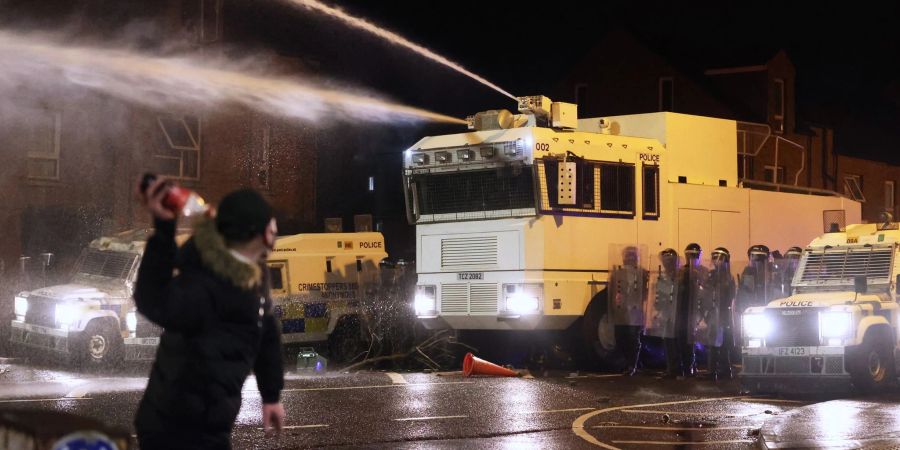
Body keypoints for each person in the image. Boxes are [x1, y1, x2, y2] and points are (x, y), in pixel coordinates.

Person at [134, 178, 285, 449]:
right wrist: (163, 231)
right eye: (269, 221)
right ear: (257, 232)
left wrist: (271, 395)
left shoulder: (254, 275)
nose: (275, 226)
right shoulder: (202, 284)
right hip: (175, 431)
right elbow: (153, 301)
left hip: (211, 424)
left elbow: (266, 333)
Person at [609, 246, 648, 376]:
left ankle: (632, 365)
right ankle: (628, 363)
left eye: (633, 255)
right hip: (621, 311)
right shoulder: (617, 272)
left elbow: (646, 292)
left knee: (633, 338)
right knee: (620, 337)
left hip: (636, 311)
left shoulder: (642, 273)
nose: (630, 258)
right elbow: (611, 290)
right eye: (628, 255)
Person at [698, 247, 736, 381]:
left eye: (719, 258)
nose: (716, 261)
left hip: (724, 313)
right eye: (714, 258)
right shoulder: (711, 275)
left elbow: (730, 297)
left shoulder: (728, 277)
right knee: (712, 344)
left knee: (723, 344)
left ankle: (725, 370)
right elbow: (705, 294)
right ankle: (712, 370)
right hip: (712, 313)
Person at [675, 243, 706, 378]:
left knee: (692, 340)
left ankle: (691, 366)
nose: (693, 257)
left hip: (695, 310)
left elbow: (706, 290)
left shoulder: (702, 271)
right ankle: (686, 366)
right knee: (682, 340)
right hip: (683, 310)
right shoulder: (681, 271)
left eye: (695, 255)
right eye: (690, 255)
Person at [649, 248, 681, 379]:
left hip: (677, 314)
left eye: (670, 261)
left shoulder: (679, 277)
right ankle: (671, 368)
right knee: (668, 342)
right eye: (666, 261)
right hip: (666, 314)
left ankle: (677, 368)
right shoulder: (662, 278)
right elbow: (659, 298)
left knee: (676, 342)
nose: (667, 263)